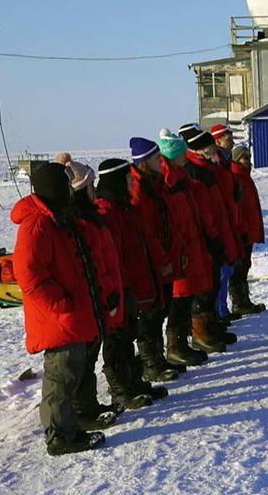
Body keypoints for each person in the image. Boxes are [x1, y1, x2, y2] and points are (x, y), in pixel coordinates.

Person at [12, 163, 107, 455]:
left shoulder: (58, 218)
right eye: (65, 185)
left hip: (70, 314)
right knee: (60, 377)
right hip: (57, 317)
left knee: (73, 372)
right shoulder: (37, 225)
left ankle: (71, 425)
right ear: (54, 188)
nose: (71, 190)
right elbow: (29, 276)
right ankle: (59, 437)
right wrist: (61, 304)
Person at [96, 157, 174, 400]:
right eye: (128, 179)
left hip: (133, 284)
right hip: (121, 287)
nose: (132, 183)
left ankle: (134, 380)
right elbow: (114, 257)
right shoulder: (108, 212)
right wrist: (123, 286)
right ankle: (121, 388)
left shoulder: (124, 208)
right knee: (117, 339)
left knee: (129, 334)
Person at [64, 162, 130, 424]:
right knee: (85, 356)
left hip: (102, 294)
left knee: (91, 353)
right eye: (90, 185)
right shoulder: (79, 222)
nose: (94, 189)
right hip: (91, 297)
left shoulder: (91, 217)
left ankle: (89, 405)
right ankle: (82, 410)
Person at [128, 137, 202, 370]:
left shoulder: (156, 185)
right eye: (156, 158)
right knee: (153, 314)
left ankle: (165, 354)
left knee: (162, 309)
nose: (161, 161)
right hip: (157, 261)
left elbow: (170, 223)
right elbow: (149, 233)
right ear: (145, 161)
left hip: (169, 255)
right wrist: (162, 261)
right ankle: (153, 360)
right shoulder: (141, 191)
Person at [156, 130, 226, 359]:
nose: (185, 156)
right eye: (181, 153)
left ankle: (195, 336)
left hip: (193, 244)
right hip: (182, 248)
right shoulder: (170, 182)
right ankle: (177, 345)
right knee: (181, 298)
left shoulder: (181, 179)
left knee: (195, 292)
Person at [180, 124, 241, 341]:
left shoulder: (210, 167)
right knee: (207, 286)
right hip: (208, 235)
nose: (215, 149)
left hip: (220, 229)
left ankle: (212, 324)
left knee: (215, 281)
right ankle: (202, 331)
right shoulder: (196, 171)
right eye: (211, 146)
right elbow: (204, 210)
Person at [228, 144, 266, 314]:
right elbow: (237, 207)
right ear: (237, 159)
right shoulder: (236, 177)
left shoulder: (245, 176)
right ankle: (238, 302)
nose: (248, 161)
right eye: (245, 158)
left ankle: (244, 300)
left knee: (245, 266)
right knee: (238, 269)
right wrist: (241, 228)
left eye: (249, 158)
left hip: (248, 230)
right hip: (241, 232)